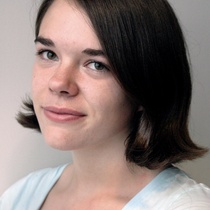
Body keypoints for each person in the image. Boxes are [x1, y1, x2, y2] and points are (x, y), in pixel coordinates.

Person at [0, 0, 210, 209]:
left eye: (97, 65)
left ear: (147, 84)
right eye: (49, 54)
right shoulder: (20, 195)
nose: (58, 83)